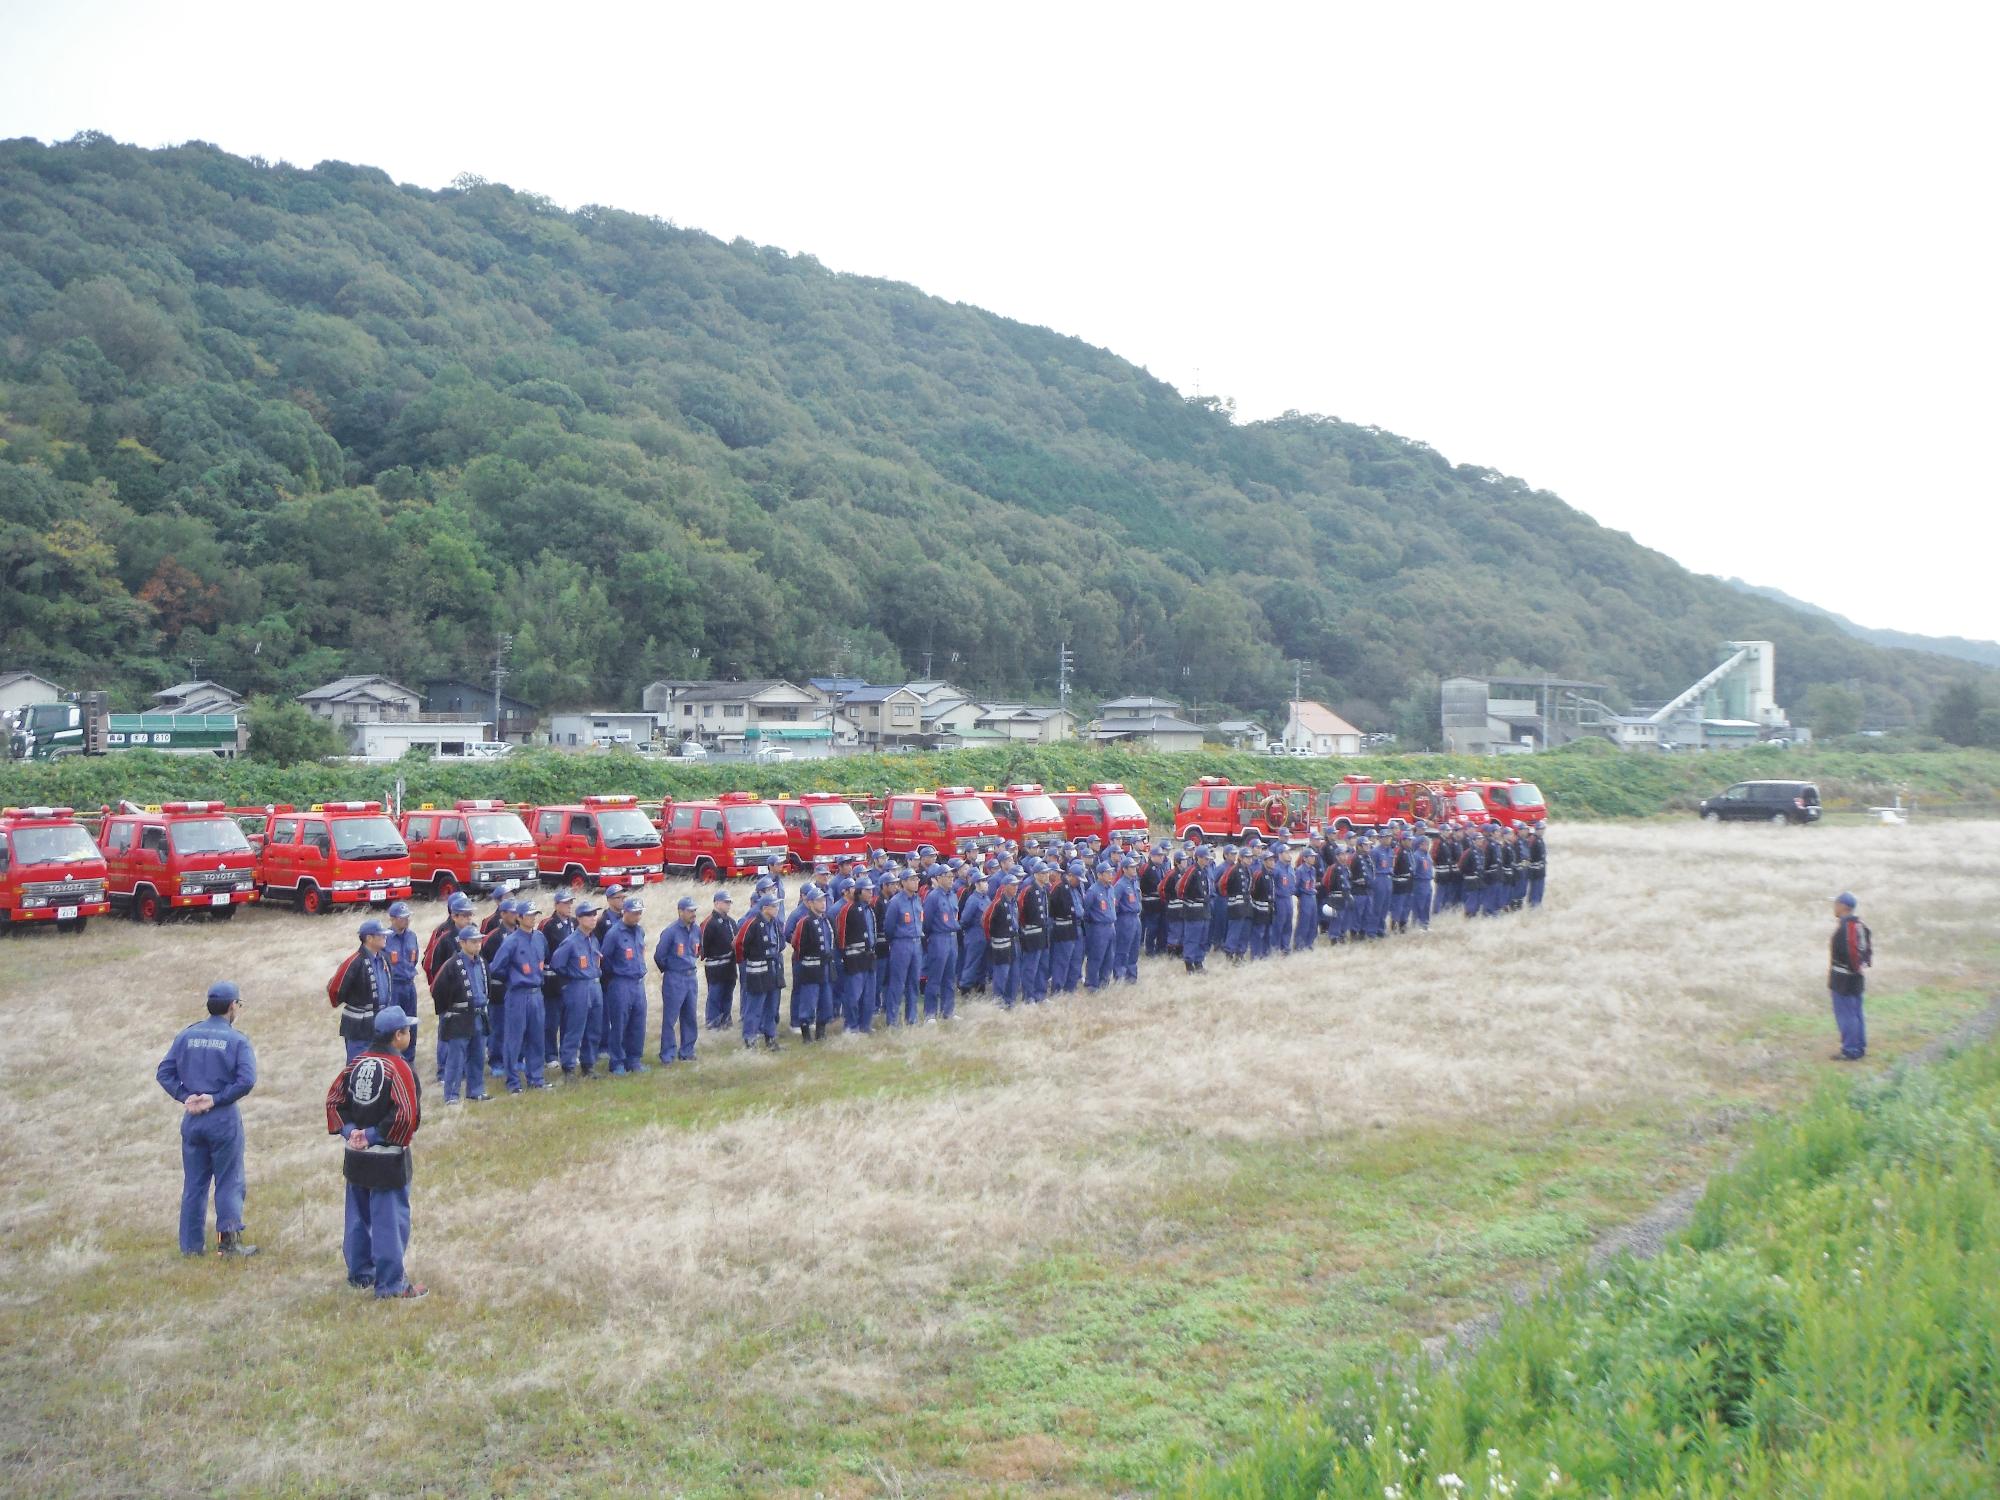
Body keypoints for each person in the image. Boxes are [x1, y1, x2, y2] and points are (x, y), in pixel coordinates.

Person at [324, 1005, 425, 1300]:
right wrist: (371, 1135)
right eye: (407, 1030)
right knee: (389, 1221)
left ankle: (359, 1274)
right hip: (387, 1160)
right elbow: (406, 1115)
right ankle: (392, 1285)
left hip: (355, 1158)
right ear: (398, 1036)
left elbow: (334, 1101)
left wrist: (351, 1132)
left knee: (357, 1216)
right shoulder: (400, 1068)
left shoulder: (355, 1063)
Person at [155, 981, 259, 1257]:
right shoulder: (237, 1040)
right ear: (232, 1006)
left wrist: (185, 1096)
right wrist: (216, 1099)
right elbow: (247, 1080)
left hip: (192, 1120)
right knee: (229, 1179)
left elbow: (164, 1073)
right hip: (223, 1118)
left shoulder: (187, 1035)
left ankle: (190, 1247)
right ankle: (229, 1243)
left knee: (194, 1184)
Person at [494, 897, 551, 1092]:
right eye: (528, 915)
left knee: (537, 1037)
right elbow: (496, 967)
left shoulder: (539, 937)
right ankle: (513, 1082)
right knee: (514, 1039)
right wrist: (513, 979)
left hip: (537, 993)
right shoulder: (511, 942)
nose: (532, 919)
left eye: (534, 915)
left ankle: (536, 1078)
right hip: (518, 994)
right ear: (518, 917)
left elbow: (545, 958)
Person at [430, 925, 489, 1103]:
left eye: (479, 940)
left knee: (477, 1055)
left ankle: (476, 1091)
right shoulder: (452, 964)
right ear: (462, 943)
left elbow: (488, 988)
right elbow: (438, 990)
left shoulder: (482, 963)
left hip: (479, 1015)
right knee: (456, 1058)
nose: (478, 944)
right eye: (473, 941)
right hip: (459, 1016)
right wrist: (450, 1012)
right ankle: (452, 1095)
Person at [549, 901, 604, 1079]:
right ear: (579, 919)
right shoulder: (571, 941)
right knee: (575, 1028)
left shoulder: (593, 938)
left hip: (594, 984)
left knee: (594, 1028)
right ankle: (569, 1066)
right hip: (578, 986)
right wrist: (573, 976)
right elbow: (557, 964)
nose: (593, 918)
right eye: (589, 915)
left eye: (595, 914)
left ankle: (588, 1064)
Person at [600, 897, 650, 1075]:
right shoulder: (614, 933)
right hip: (621, 983)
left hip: (638, 983)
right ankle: (617, 1062)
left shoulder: (639, 932)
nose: (637, 917)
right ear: (625, 912)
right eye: (635, 913)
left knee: (638, 1023)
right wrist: (616, 975)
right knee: (620, 1023)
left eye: (640, 913)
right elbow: (604, 959)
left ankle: (634, 1059)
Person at [333, 918, 392, 1061]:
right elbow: (335, 988)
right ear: (369, 938)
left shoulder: (384, 957)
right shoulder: (354, 961)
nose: (385, 938)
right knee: (357, 1064)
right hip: (359, 1026)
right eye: (381, 935)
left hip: (380, 1021)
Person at [654, 896, 702, 1063]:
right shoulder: (671, 931)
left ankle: (687, 1051)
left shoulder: (697, 930)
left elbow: (698, 950)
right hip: (675, 977)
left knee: (690, 1016)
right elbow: (660, 955)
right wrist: (672, 969)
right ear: (680, 912)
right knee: (670, 1018)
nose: (693, 914)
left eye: (694, 910)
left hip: (691, 977)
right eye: (690, 911)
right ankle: (667, 1054)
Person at [1828, 892, 1873, 1062]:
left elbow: (1843, 955)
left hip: (1842, 979)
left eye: (1836, 904)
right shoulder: (1859, 925)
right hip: (1857, 977)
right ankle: (1859, 1046)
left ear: (1843, 907)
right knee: (1856, 1013)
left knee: (1845, 1015)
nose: (1834, 907)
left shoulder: (1844, 928)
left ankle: (1850, 1050)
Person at [790, 884, 837, 1040]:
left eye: (824, 899)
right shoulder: (805, 922)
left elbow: (833, 939)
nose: (823, 903)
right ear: (810, 903)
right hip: (810, 968)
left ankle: (821, 1032)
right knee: (808, 1001)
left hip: (826, 966)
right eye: (818, 900)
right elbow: (797, 944)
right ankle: (806, 1034)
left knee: (826, 1000)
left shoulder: (828, 920)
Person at [737, 891, 783, 1050]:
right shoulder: (752, 923)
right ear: (764, 908)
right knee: (754, 1007)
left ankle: (770, 1038)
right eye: (774, 906)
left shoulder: (776, 923)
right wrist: (752, 958)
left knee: (772, 1006)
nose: (777, 908)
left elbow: (781, 943)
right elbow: (739, 945)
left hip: (773, 970)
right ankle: (749, 1038)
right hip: (757, 972)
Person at [837, 875, 879, 1032]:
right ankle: (851, 1026)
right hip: (854, 959)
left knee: (869, 995)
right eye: (867, 890)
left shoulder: (870, 909)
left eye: (872, 890)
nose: (871, 893)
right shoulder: (848, 909)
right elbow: (840, 936)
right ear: (859, 892)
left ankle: (865, 1025)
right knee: (854, 995)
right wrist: (844, 957)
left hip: (869, 957)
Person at [883, 868, 924, 1025]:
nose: (916, 882)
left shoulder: (917, 900)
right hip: (901, 944)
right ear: (904, 882)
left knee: (914, 982)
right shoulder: (896, 902)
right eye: (912, 879)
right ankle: (892, 1019)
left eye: (917, 879)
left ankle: (911, 1017)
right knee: (897, 983)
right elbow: (889, 928)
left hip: (916, 943)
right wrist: (896, 942)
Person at [921, 869, 960, 1022]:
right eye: (948, 876)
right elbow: (927, 921)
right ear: (939, 878)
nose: (951, 879)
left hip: (952, 937)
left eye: (952, 877)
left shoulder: (953, 895)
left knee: (950, 978)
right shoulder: (933, 897)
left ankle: (948, 1011)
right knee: (935, 977)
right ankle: (930, 1013)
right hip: (938, 938)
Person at [700, 890, 738, 1030]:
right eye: (725, 902)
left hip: (730, 965)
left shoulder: (731, 922)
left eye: (729, 903)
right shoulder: (709, 922)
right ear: (717, 903)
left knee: (728, 994)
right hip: (715, 966)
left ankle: (726, 1020)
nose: (728, 905)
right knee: (715, 994)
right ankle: (712, 1022)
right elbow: (703, 945)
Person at [983, 871, 1019, 1006]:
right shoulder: (997, 903)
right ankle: (998, 1001)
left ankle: (1010, 1000)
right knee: (1001, 974)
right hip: (1001, 943)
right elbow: (986, 922)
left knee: (1014, 974)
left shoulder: (1014, 902)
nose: (1016, 888)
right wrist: (992, 937)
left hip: (1013, 941)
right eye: (1013, 885)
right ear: (1005, 887)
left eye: (1017, 885)